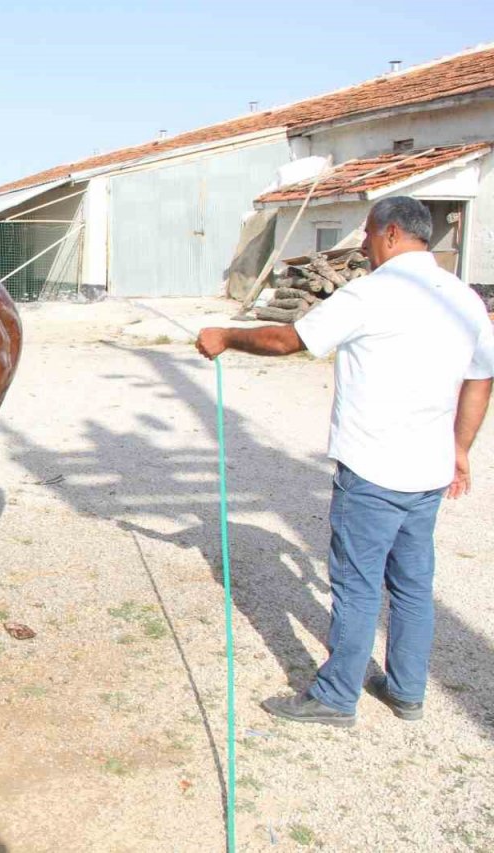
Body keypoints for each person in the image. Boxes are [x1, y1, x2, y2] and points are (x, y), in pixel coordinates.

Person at [196, 195, 494, 728]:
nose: (363, 244)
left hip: (374, 468)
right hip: (428, 472)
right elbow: (481, 377)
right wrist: (461, 448)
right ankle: (406, 690)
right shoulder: (464, 298)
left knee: (356, 584)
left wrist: (226, 337)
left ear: (394, 235)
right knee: (411, 584)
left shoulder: (371, 294)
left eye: (369, 234)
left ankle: (335, 696)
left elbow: (289, 339)